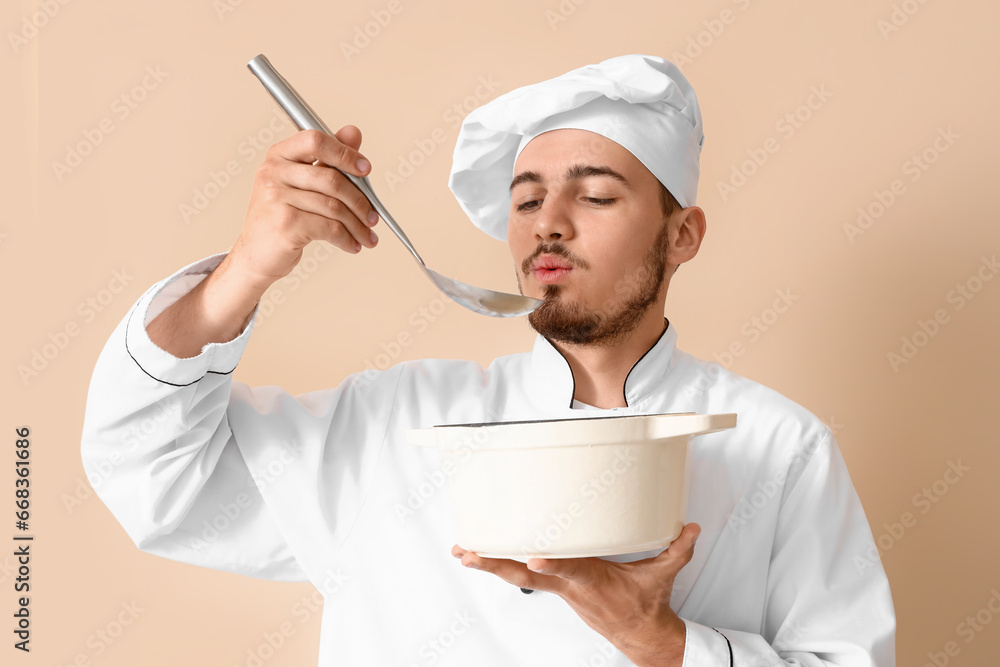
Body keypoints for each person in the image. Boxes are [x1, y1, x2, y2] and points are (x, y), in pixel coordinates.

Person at [81, 54, 895, 665]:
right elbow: (151, 474)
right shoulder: (393, 426)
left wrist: (661, 639)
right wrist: (248, 267)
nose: (550, 223)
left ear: (682, 235)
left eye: (597, 194)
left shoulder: (781, 446)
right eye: (528, 199)